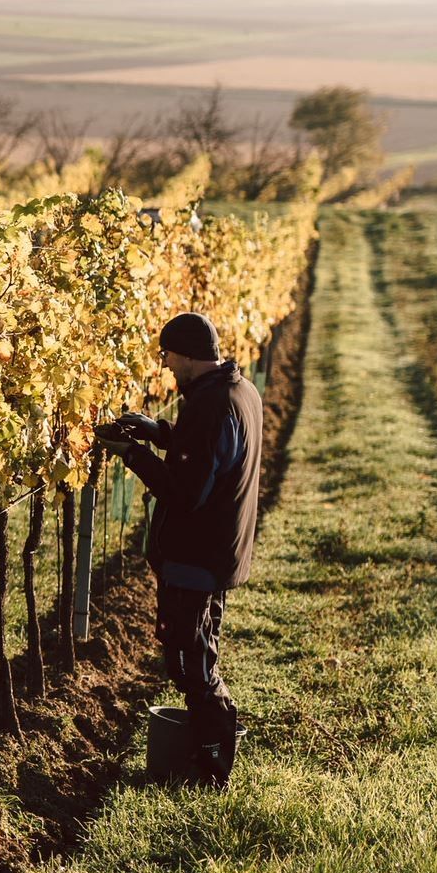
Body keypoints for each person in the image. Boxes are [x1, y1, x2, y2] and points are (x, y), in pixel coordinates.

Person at [96, 311, 262, 789]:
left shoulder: (211, 406)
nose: (165, 365)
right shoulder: (238, 392)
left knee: (190, 662)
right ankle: (205, 754)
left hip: (197, 557)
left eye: (168, 356)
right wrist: (157, 431)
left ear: (188, 354)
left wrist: (134, 456)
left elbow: (186, 492)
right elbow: (209, 454)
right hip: (214, 554)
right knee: (195, 653)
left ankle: (210, 768)